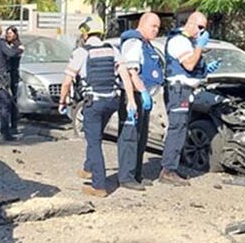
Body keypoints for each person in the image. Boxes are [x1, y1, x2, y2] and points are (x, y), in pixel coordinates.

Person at [58, 16, 137, 198]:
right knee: (96, 134)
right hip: (112, 102)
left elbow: (67, 81)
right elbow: (125, 75)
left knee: (94, 142)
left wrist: (62, 101)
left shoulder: (81, 52)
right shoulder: (112, 50)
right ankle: (88, 167)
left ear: (86, 33)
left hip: (93, 102)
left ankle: (99, 185)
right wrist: (131, 99)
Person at [160, 11, 220, 186]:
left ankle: (172, 167)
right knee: (177, 129)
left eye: (205, 29)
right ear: (191, 23)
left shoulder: (189, 42)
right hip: (178, 91)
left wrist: (206, 69)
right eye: (200, 28)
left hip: (185, 91)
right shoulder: (179, 41)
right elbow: (189, 64)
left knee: (182, 129)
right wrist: (200, 47)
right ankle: (168, 170)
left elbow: (192, 69)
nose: (202, 32)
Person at [117, 12, 164, 189]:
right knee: (129, 137)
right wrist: (142, 92)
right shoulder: (133, 42)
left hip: (144, 97)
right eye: (153, 26)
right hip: (133, 96)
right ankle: (126, 177)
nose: (156, 30)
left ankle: (136, 174)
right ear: (142, 24)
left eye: (158, 27)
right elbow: (130, 71)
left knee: (141, 138)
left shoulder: (147, 44)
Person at [0, 23, 24, 142]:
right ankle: (4, 134)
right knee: (4, 106)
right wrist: (19, 49)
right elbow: (11, 53)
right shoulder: (1, 43)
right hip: (0, 81)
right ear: (1, 32)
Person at [5, 26, 22, 134]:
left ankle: (14, 125)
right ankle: (5, 125)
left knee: (13, 101)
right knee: (5, 101)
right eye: (7, 33)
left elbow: (15, 54)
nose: (8, 36)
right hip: (6, 74)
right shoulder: (4, 44)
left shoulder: (18, 45)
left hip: (13, 75)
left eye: (10, 33)